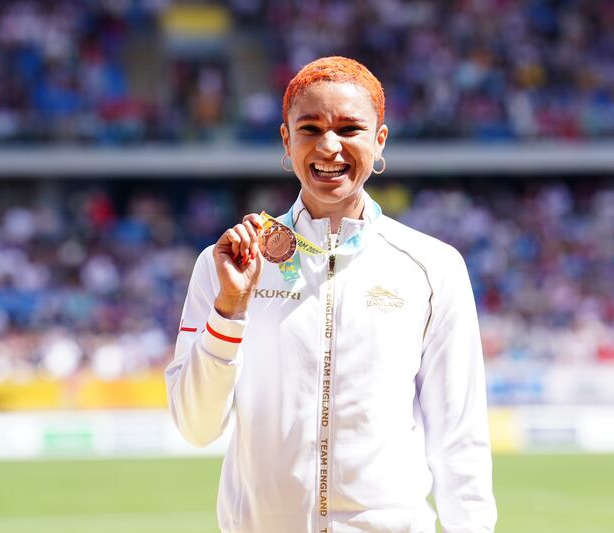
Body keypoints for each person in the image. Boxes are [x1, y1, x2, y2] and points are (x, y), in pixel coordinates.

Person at [165, 56, 497, 533]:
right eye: (310, 128)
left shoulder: (433, 267)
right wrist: (230, 312)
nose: (329, 146)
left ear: (379, 140)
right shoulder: (228, 265)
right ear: (286, 141)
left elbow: (459, 438)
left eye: (349, 128)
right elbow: (195, 427)